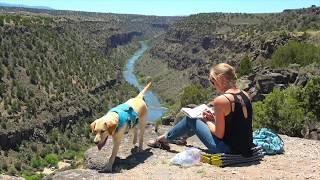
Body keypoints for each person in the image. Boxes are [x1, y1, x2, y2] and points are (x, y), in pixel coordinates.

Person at [148, 63, 253, 156]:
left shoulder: (221, 100)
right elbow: (237, 123)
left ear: (221, 78)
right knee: (200, 118)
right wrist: (213, 119)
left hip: (228, 148)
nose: (213, 85)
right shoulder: (245, 95)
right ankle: (170, 138)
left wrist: (207, 121)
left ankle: (163, 139)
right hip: (246, 146)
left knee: (192, 119)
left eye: (213, 81)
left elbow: (219, 134)